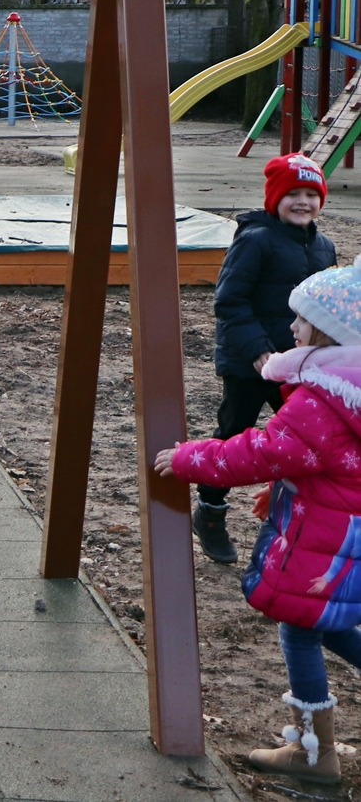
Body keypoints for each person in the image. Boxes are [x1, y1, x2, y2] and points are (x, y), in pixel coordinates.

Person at [155, 262, 361, 786]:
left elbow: (261, 452)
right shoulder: (349, 391)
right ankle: (315, 746)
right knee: (330, 622)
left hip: (323, 541)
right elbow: (330, 463)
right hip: (346, 533)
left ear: (328, 332)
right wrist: (290, 487)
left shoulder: (321, 399)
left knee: (301, 626)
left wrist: (189, 458)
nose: (292, 327)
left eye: (302, 320)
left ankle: (314, 754)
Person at [195, 152, 336, 563]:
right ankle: (210, 510)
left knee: (306, 437)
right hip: (249, 361)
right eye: (293, 194)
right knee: (234, 431)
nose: (303, 202)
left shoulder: (324, 246)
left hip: (299, 364)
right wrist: (258, 351)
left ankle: (301, 513)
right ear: (275, 198)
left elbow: (328, 307)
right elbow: (230, 301)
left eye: (312, 195)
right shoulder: (255, 240)